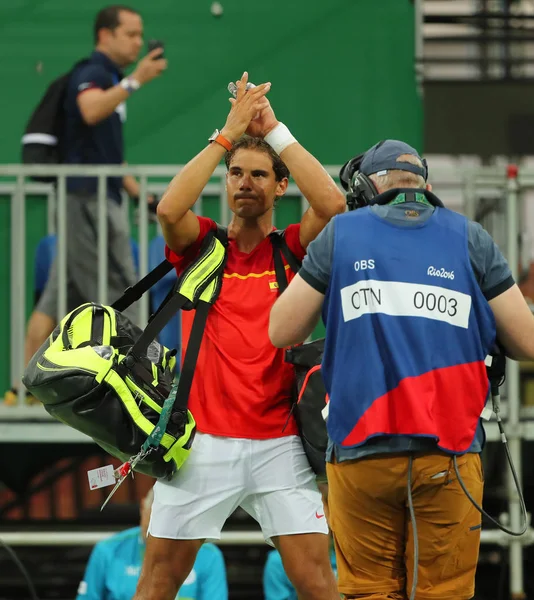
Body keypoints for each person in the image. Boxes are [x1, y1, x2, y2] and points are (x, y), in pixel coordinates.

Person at [269, 140, 534, 599]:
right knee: (443, 592)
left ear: (367, 188)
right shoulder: (469, 237)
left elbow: (281, 331)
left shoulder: (341, 234)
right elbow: (532, 345)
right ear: (426, 187)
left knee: (370, 591)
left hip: (361, 452)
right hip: (450, 453)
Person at [133, 72, 345, 600]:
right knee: (158, 583)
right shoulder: (200, 245)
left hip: (280, 447)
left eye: (257, 174)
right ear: (225, 182)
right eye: (235, 174)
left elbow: (334, 204)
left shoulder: (294, 249)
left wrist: (274, 131)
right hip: (200, 445)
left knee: (317, 583)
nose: (244, 183)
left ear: (279, 186)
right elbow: (167, 209)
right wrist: (226, 134)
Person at [6, 5, 165, 404]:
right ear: (105, 36)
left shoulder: (108, 79)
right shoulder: (94, 74)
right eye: (130, 33)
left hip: (98, 198)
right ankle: (132, 383)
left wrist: (136, 193)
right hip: (84, 200)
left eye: (140, 33)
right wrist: (135, 82)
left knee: (59, 292)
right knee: (116, 287)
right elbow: (90, 110)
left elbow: (107, 156)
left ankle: (23, 387)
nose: (138, 42)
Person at [76, 488, 228, 600]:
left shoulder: (209, 555)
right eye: (154, 516)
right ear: (143, 508)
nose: (158, 528)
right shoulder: (107, 550)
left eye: (168, 521)